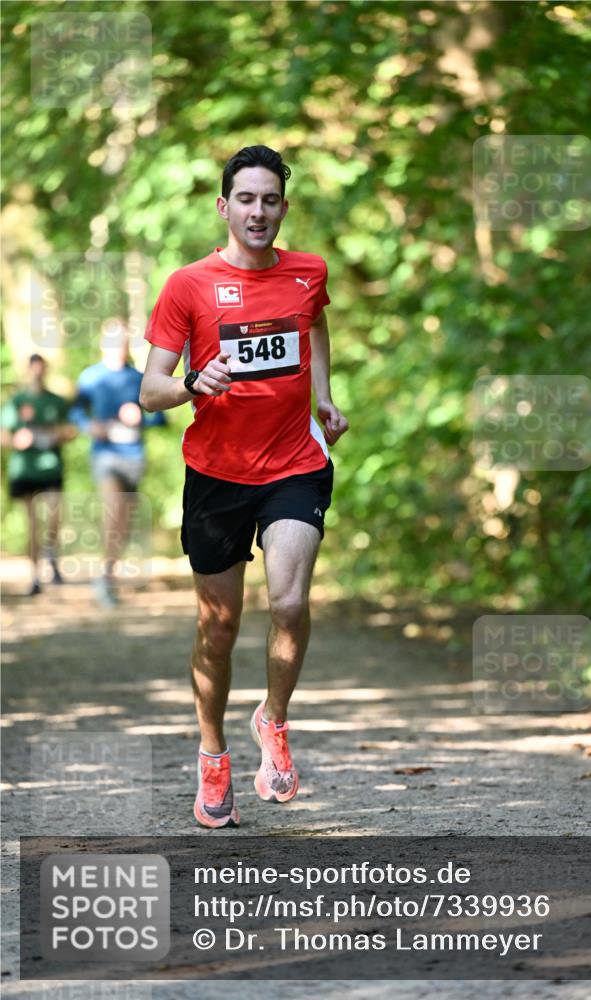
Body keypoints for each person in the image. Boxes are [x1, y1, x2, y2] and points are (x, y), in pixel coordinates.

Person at [140, 144, 349, 828]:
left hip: (294, 463)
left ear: (283, 207)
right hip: (215, 475)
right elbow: (149, 390)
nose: (258, 211)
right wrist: (191, 383)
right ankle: (212, 754)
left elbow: (312, 322)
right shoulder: (188, 285)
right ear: (224, 206)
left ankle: (275, 720)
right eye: (247, 199)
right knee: (218, 627)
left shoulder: (308, 272)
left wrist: (322, 397)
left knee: (288, 601)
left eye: (270, 200)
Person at [72, 320, 165, 607]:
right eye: (114, 341)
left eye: (123, 341)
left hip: (134, 456)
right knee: (114, 513)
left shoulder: (137, 377)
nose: (119, 347)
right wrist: (90, 427)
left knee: (123, 522)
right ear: (103, 344)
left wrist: (142, 418)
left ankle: (107, 575)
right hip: (105, 455)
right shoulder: (90, 377)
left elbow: (160, 415)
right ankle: (103, 580)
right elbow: (75, 412)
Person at [0, 354, 76, 595]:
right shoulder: (17, 402)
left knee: (53, 518)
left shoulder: (56, 401)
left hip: (51, 467)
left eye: (41, 370)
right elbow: (4, 436)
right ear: (28, 371)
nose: (38, 374)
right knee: (33, 523)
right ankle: (35, 575)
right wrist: (16, 440)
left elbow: (72, 429)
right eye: (34, 370)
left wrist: (56, 435)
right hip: (24, 470)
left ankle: (50, 554)